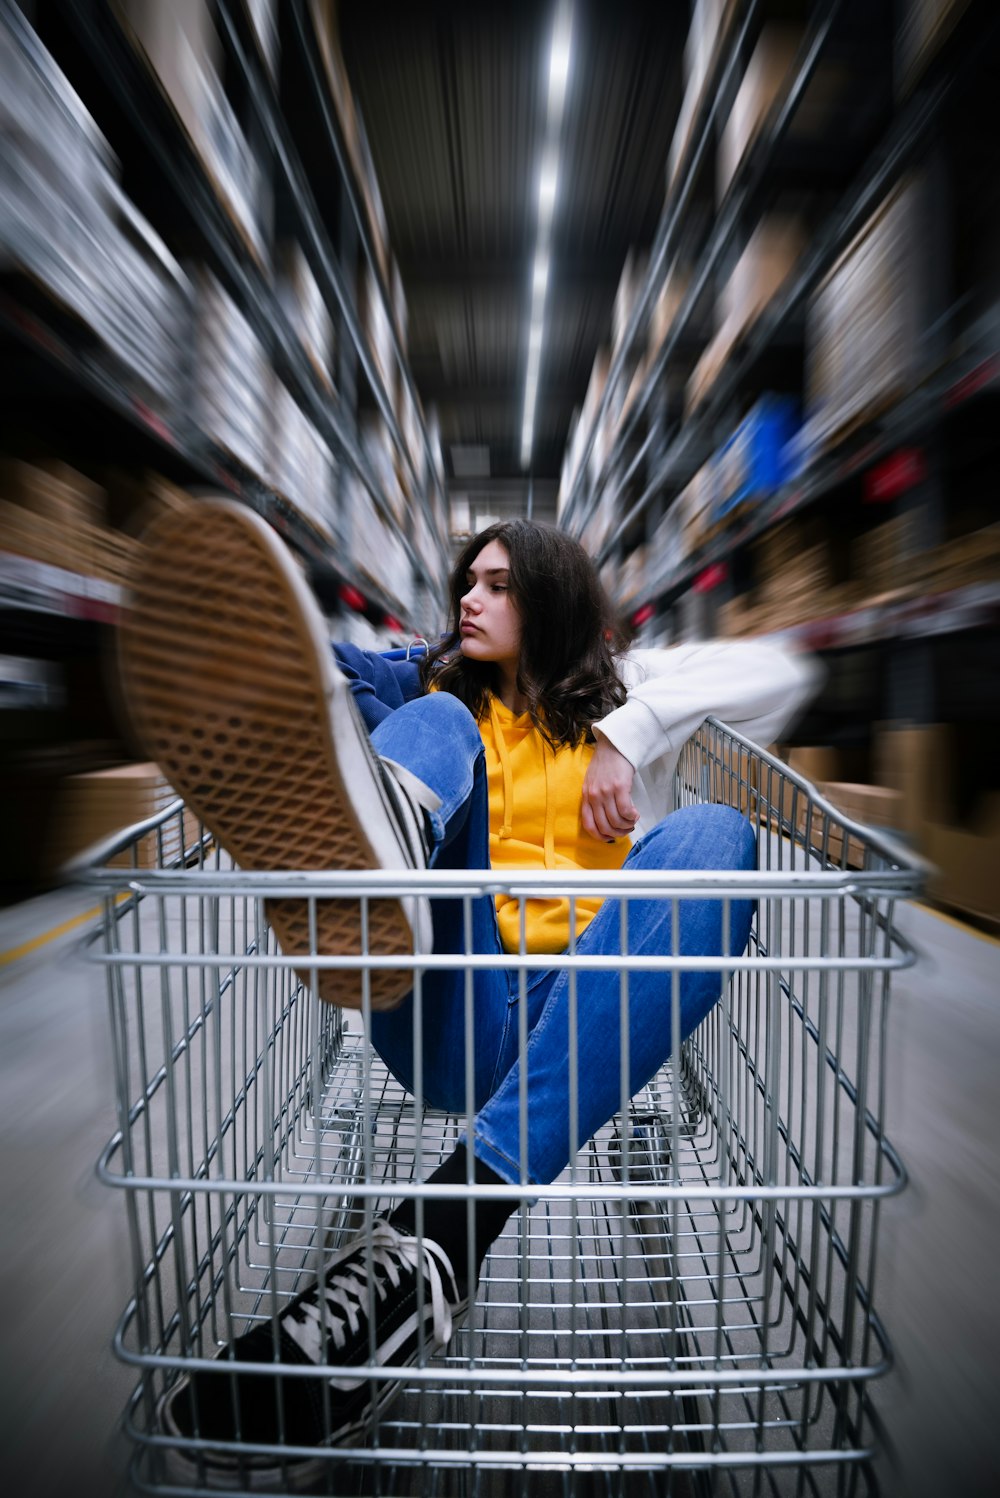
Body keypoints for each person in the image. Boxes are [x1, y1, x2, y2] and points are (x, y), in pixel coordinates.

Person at [118, 499, 819, 1488]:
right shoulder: (428, 683)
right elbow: (286, 666)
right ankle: (395, 851)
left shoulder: (631, 695)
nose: (469, 599)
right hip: (448, 983)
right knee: (434, 717)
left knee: (718, 839)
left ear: (554, 599)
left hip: (586, 1014)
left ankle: (439, 1238)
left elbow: (784, 669)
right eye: (467, 582)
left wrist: (632, 731)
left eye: (499, 583)